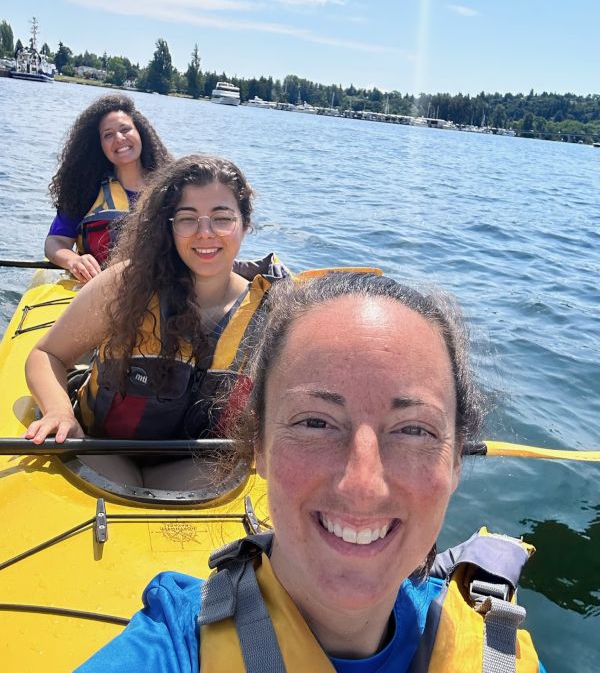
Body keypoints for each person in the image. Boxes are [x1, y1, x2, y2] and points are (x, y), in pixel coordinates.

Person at [74, 273, 546, 672]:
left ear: (456, 459)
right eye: (315, 422)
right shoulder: (176, 648)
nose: (362, 485)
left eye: (413, 430)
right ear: (258, 444)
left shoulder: (497, 657)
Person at [25, 155, 288, 488]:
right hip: (100, 452)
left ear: (244, 224)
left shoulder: (274, 311)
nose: (205, 234)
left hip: (199, 470)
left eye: (222, 218)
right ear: (169, 226)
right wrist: (59, 411)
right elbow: (47, 355)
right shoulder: (124, 284)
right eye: (187, 219)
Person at [45, 93, 171, 282]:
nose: (119, 138)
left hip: (159, 292)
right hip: (97, 290)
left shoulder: (172, 189)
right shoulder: (84, 190)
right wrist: (74, 261)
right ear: (99, 145)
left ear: (140, 132)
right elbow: (55, 241)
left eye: (125, 129)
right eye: (108, 135)